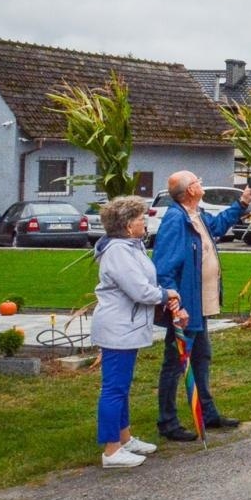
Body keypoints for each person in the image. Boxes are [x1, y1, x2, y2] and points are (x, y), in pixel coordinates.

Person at [152, 171, 251, 441]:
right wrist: (174, 303)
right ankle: (167, 421)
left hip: (202, 304)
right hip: (186, 307)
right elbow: (164, 267)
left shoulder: (197, 215)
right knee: (175, 363)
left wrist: (241, 203)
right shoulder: (176, 220)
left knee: (201, 357)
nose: (201, 183)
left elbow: (218, 226)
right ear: (189, 191)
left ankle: (207, 412)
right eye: (197, 181)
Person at [90, 195, 184, 469]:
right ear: (129, 225)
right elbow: (139, 289)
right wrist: (166, 294)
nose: (145, 223)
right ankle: (111, 450)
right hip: (118, 327)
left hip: (127, 326)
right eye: (141, 219)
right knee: (114, 388)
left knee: (121, 386)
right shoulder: (119, 251)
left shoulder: (131, 247)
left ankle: (124, 437)